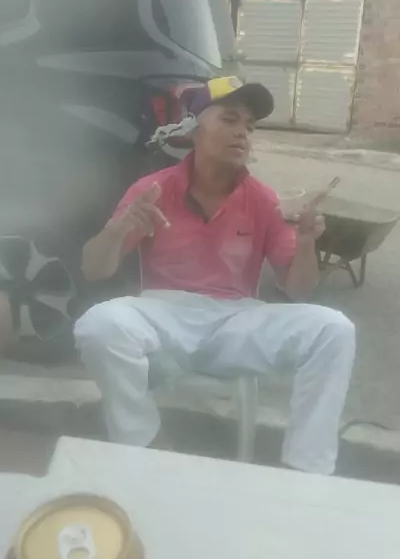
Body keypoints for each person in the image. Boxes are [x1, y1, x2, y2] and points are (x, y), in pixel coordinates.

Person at [75, 77, 355, 475]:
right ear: (194, 129)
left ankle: (307, 468)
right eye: (229, 119)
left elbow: (298, 290)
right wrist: (121, 228)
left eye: (250, 126)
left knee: (334, 329)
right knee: (98, 325)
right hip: (165, 317)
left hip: (236, 322)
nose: (242, 133)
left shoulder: (264, 199)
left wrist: (307, 242)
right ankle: (144, 442)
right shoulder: (152, 189)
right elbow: (93, 269)